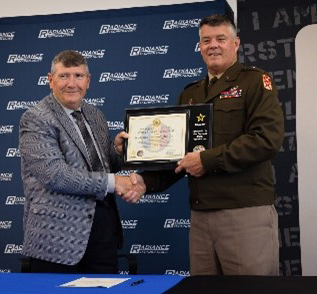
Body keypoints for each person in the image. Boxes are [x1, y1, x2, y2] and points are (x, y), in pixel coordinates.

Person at [126, 14, 284, 276]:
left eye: (221, 38)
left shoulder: (255, 82)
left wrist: (206, 160)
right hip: (201, 217)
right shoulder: (190, 94)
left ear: (236, 43)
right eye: (206, 40)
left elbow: (266, 139)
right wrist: (145, 182)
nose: (213, 45)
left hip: (244, 213)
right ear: (199, 47)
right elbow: (178, 155)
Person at [19, 50, 145, 273]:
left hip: (103, 231)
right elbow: (55, 175)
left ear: (88, 81)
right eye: (64, 76)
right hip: (56, 238)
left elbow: (104, 166)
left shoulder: (95, 115)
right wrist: (116, 182)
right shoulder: (36, 118)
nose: (71, 83)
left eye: (78, 76)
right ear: (50, 80)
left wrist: (118, 153)